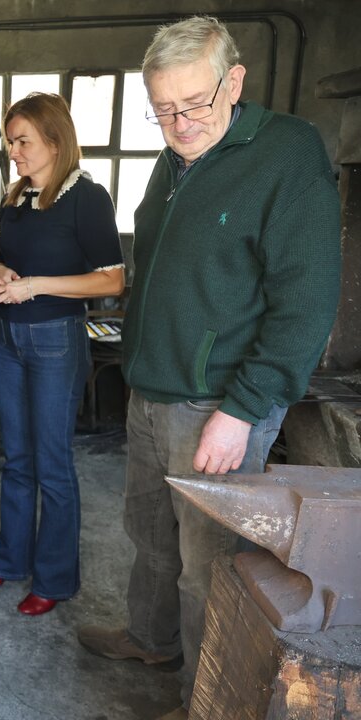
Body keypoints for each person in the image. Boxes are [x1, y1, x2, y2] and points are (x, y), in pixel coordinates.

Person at [75, 16, 341, 719]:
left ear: (236, 82)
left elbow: (306, 304)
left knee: (207, 566)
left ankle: (206, 698)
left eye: (194, 103)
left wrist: (243, 409)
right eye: (163, 108)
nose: (180, 121)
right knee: (149, 535)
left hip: (217, 405)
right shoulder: (175, 158)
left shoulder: (286, 154)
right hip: (153, 391)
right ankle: (150, 639)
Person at [0, 93, 124, 616]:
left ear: (55, 142)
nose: (13, 151)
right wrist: (2, 274)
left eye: (23, 142)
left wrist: (35, 286)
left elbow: (112, 278)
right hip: (11, 340)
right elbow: (1, 261)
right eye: (11, 141)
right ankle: (10, 559)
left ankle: (55, 579)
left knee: (52, 463)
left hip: (57, 339)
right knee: (15, 458)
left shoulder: (88, 198)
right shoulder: (17, 196)